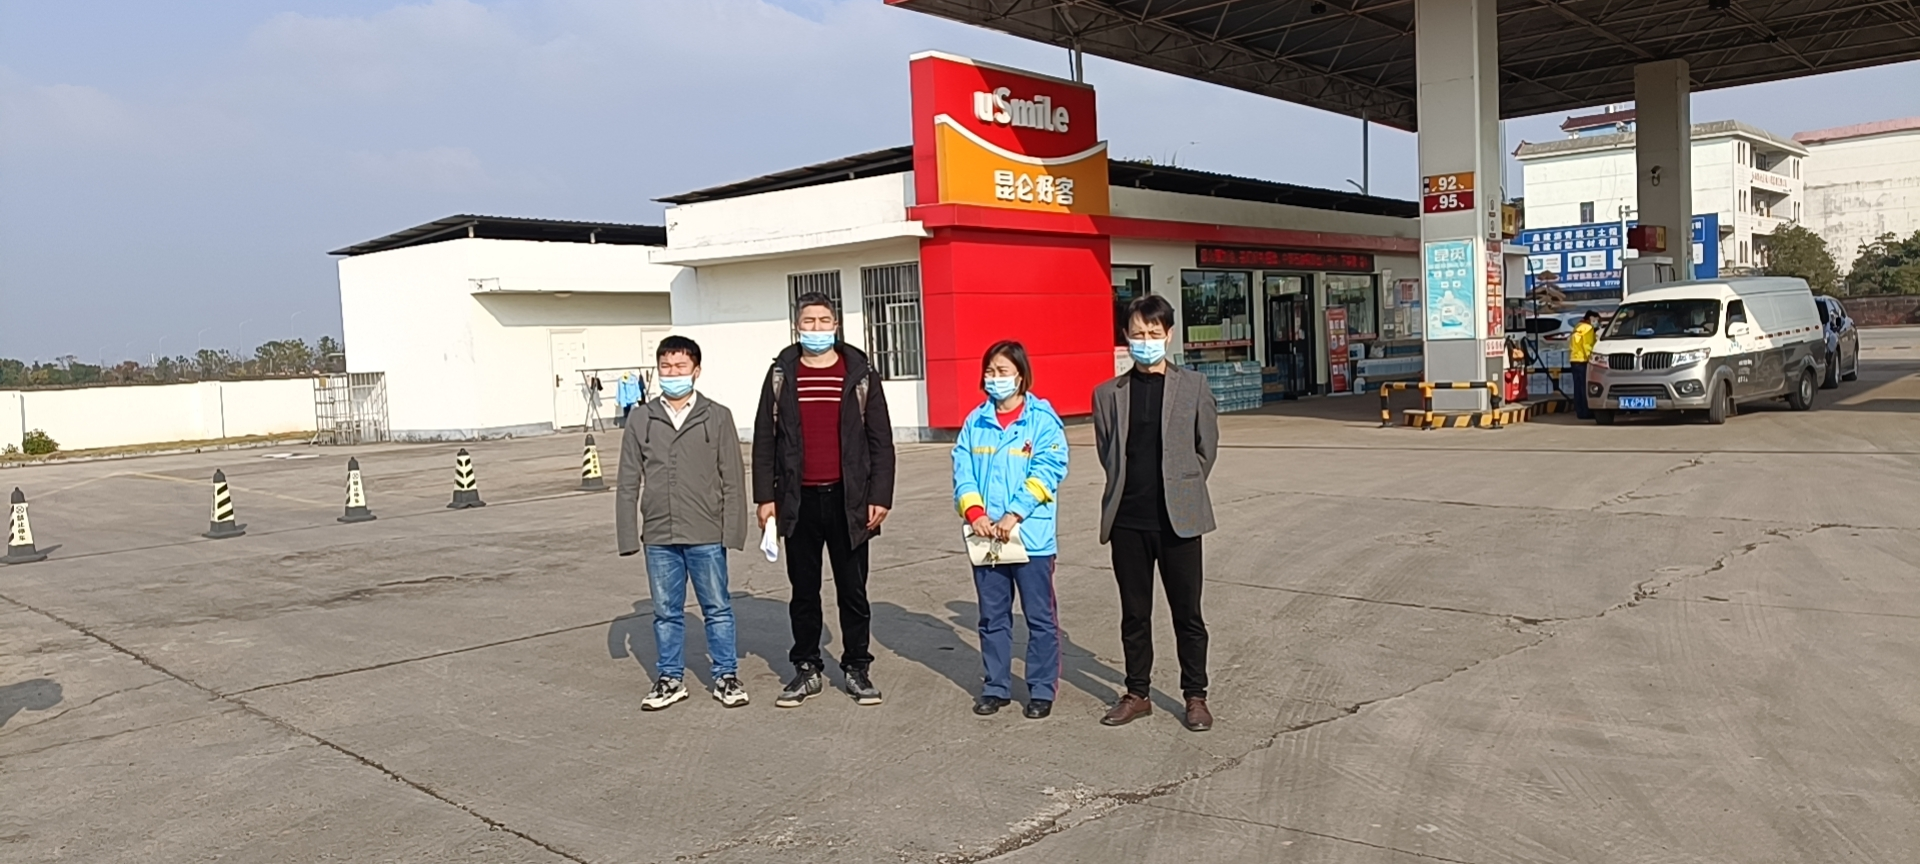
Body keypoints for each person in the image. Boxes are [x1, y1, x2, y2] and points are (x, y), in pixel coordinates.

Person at [753, 293, 896, 708]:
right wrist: (766, 497)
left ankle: (857, 667)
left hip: (849, 501)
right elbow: (765, 440)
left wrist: (879, 495)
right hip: (797, 500)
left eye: (823, 321)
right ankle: (807, 667)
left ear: (836, 325)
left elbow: (881, 441)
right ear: (797, 326)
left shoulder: (860, 373)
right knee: (804, 590)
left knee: (853, 590)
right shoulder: (781, 374)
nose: (816, 328)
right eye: (809, 321)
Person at [1092, 294, 1220, 733]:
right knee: (1134, 613)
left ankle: (1195, 695)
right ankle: (1137, 693)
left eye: (1153, 332)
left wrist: (1182, 485)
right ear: (1125, 337)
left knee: (1188, 614)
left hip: (1178, 521)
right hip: (1128, 519)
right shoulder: (1108, 394)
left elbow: (1206, 448)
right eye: (1137, 333)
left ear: (1168, 335)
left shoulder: (1194, 386)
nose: (1145, 340)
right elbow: (1108, 452)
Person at [615, 336, 749, 711]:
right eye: (666, 367)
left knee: (717, 608)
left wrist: (733, 530)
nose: (672, 373)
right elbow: (628, 480)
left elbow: (732, 477)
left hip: (706, 531)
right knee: (666, 613)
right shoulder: (641, 418)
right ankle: (670, 679)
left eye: (680, 366)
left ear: (696, 371)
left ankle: (726, 675)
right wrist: (628, 535)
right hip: (659, 534)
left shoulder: (717, 416)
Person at [950, 341, 1068, 720]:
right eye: (990, 371)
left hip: (1030, 538)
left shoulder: (1042, 420)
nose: (995, 378)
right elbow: (962, 471)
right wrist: (975, 512)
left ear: (1020, 376)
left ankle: (1041, 689)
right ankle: (996, 686)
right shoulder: (976, 422)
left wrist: (1014, 513)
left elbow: (1048, 470)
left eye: (1003, 371)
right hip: (986, 537)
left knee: (1039, 618)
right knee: (992, 617)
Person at [1569, 310, 1601, 420]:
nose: (1597, 323)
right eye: (1596, 320)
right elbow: (1587, 346)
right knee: (1585, 388)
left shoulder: (1578, 327)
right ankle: (1587, 412)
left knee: (1578, 388)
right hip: (1583, 361)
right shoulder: (1588, 329)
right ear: (1591, 319)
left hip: (1574, 360)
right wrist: (1592, 360)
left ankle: (1580, 411)